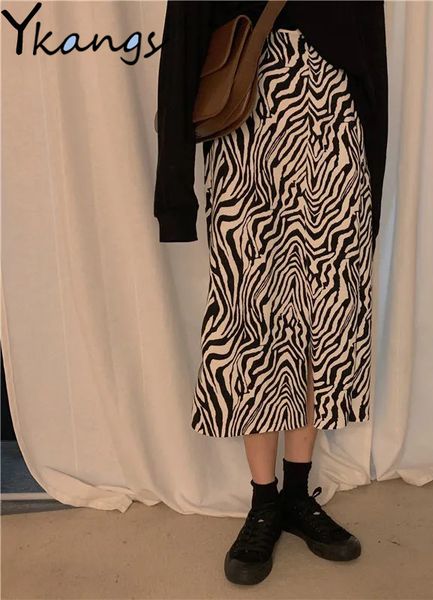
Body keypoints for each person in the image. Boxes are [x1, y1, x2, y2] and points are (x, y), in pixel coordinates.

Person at [154, 0, 388, 585]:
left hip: (335, 138)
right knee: (251, 328)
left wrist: (373, 192)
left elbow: (372, 68)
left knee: (321, 326)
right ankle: (263, 502)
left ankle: (298, 495)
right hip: (246, 135)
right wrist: (175, 197)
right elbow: (182, 56)